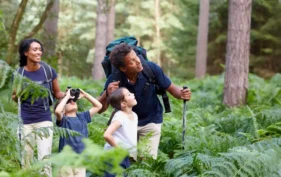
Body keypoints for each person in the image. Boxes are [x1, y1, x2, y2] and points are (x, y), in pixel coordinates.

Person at [98, 43, 191, 159]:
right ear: (123, 68)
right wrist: (106, 93)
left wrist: (182, 93)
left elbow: (173, 90)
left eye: (136, 56)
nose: (138, 61)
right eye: (132, 61)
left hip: (152, 120)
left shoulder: (151, 68)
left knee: (148, 162)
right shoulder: (115, 79)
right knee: (128, 161)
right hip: (126, 124)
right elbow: (100, 109)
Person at [12, 38, 64, 177]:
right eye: (35, 49)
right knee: (26, 160)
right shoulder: (19, 73)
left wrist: (69, 95)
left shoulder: (48, 71)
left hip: (44, 120)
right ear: (26, 53)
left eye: (40, 49)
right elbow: (15, 97)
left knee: (44, 159)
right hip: (25, 122)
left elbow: (57, 93)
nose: (39, 52)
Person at [55, 88, 102, 177]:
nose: (72, 101)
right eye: (69, 102)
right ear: (63, 111)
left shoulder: (82, 117)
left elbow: (98, 106)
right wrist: (66, 97)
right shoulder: (64, 120)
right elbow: (57, 111)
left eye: (73, 100)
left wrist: (85, 95)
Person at [103, 87, 138, 177]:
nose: (133, 94)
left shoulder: (134, 115)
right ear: (123, 103)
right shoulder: (120, 116)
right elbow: (107, 135)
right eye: (129, 94)